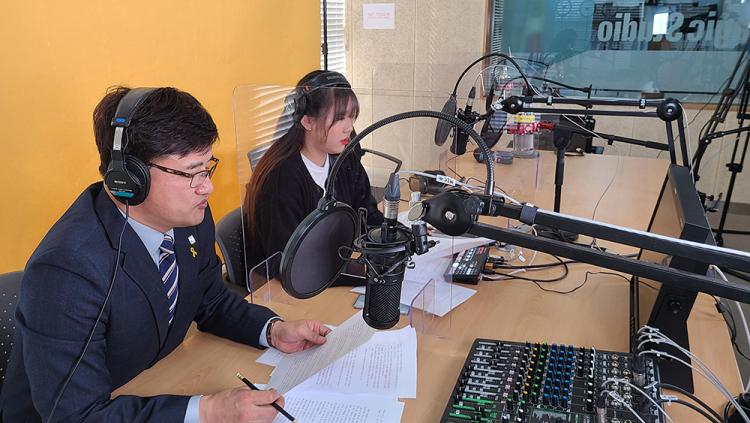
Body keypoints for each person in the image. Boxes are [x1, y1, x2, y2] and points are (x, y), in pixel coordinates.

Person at [1, 86, 331, 422]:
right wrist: (209, 411)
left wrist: (272, 330)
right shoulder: (67, 269)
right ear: (130, 178)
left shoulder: (187, 218)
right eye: (191, 172)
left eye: (207, 168)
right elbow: (77, 416)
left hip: (144, 386)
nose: (207, 187)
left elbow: (211, 299)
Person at [243, 70, 383, 277]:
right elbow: (286, 262)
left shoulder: (345, 161)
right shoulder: (281, 179)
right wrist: (363, 271)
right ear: (307, 121)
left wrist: (394, 241)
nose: (349, 128)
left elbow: (369, 218)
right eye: (339, 118)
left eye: (352, 116)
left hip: (335, 269)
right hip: (296, 286)